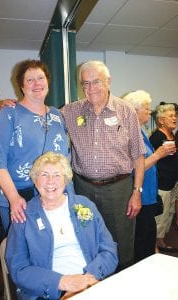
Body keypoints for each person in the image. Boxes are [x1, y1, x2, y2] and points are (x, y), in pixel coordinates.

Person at [62, 60, 146, 271]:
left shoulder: (126, 111)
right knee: (87, 238)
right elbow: (44, 116)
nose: (90, 89)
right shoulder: (72, 112)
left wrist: (136, 192)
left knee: (122, 244)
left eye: (96, 82)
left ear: (108, 81)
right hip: (83, 188)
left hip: (119, 190)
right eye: (85, 84)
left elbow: (138, 156)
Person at [5, 152, 118, 300]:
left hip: (91, 282)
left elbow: (109, 250)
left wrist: (88, 279)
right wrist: (61, 283)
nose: (50, 181)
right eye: (44, 175)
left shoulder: (84, 205)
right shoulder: (24, 215)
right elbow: (18, 269)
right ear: (35, 180)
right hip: (48, 292)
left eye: (57, 175)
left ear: (65, 180)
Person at [0, 59, 71, 233]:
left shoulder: (57, 115)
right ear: (22, 86)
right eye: (30, 80)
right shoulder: (8, 114)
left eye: (40, 78)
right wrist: (13, 198)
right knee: (21, 252)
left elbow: (65, 157)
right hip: (19, 198)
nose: (37, 84)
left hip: (54, 196)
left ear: (48, 82)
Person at [123, 90, 176, 262]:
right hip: (141, 197)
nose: (149, 111)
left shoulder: (141, 130)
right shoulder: (131, 133)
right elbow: (136, 167)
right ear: (135, 111)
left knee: (148, 237)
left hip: (147, 195)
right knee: (142, 242)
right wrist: (159, 153)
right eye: (146, 108)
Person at [150, 103, 178, 252]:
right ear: (161, 120)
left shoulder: (172, 135)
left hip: (172, 183)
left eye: (175, 115)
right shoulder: (157, 137)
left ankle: (161, 241)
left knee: (168, 215)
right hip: (161, 184)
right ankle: (154, 246)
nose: (175, 118)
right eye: (171, 116)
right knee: (159, 217)